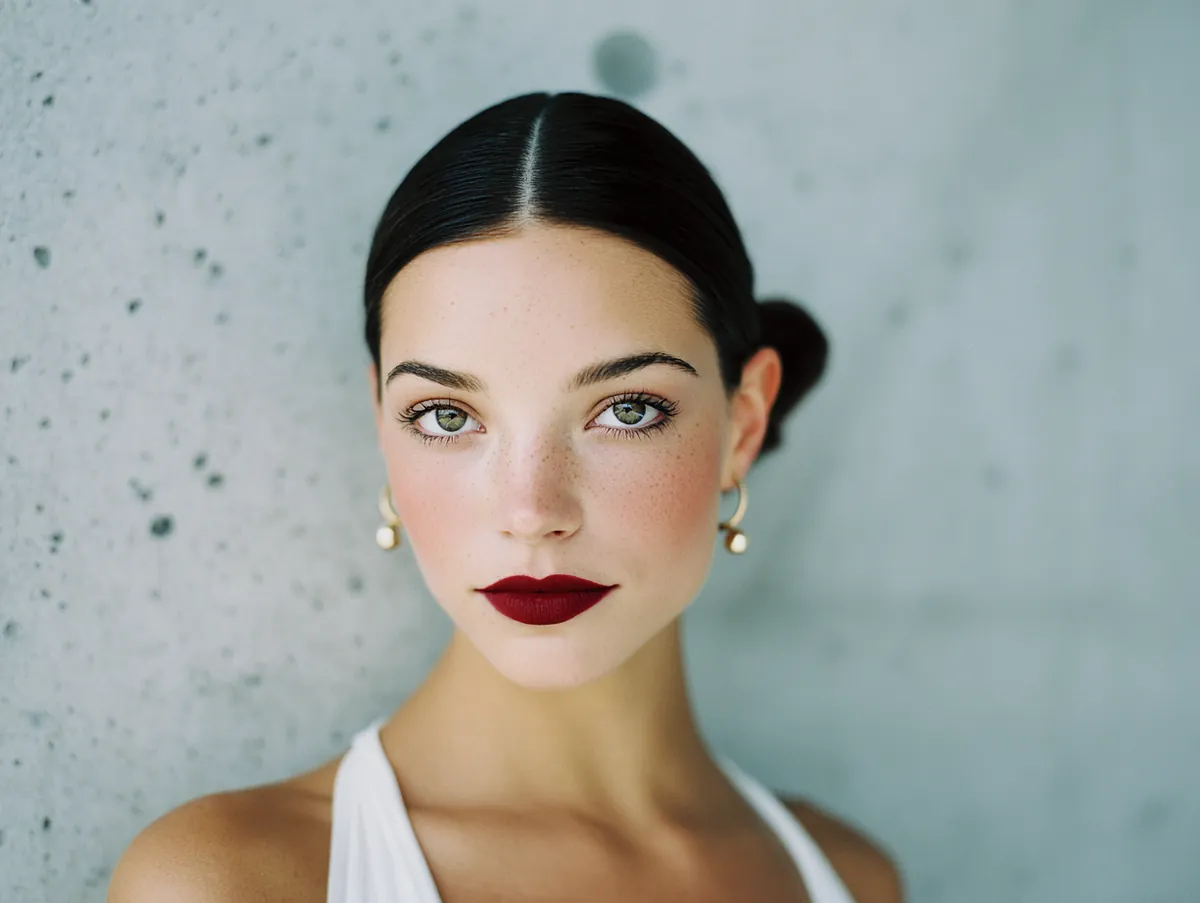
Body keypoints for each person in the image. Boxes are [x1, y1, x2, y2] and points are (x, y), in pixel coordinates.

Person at [108, 91, 904, 903]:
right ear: (383, 423)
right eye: (447, 416)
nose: (532, 510)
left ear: (742, 424)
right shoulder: (231, 883)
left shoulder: (851, 880)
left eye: (627, 410)